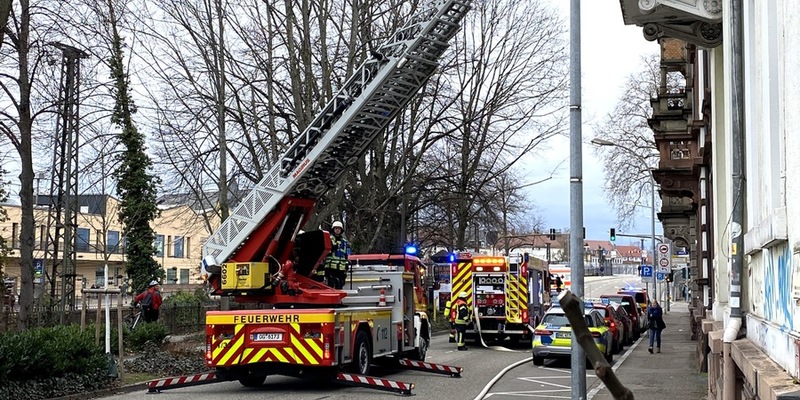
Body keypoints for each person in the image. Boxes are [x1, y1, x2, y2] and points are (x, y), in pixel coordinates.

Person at [323, 221, 350, 289]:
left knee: (340, 284)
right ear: (333, 229)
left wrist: (346, 264)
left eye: (339, 228)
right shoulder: (329, 239)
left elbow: (346, 254)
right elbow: (326, 252)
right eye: (336, 228)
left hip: (341, 267)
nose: (337, 230)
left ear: (341, 230)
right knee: (331, 285)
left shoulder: (344, 242)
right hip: (331, 267)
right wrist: (332, 247)